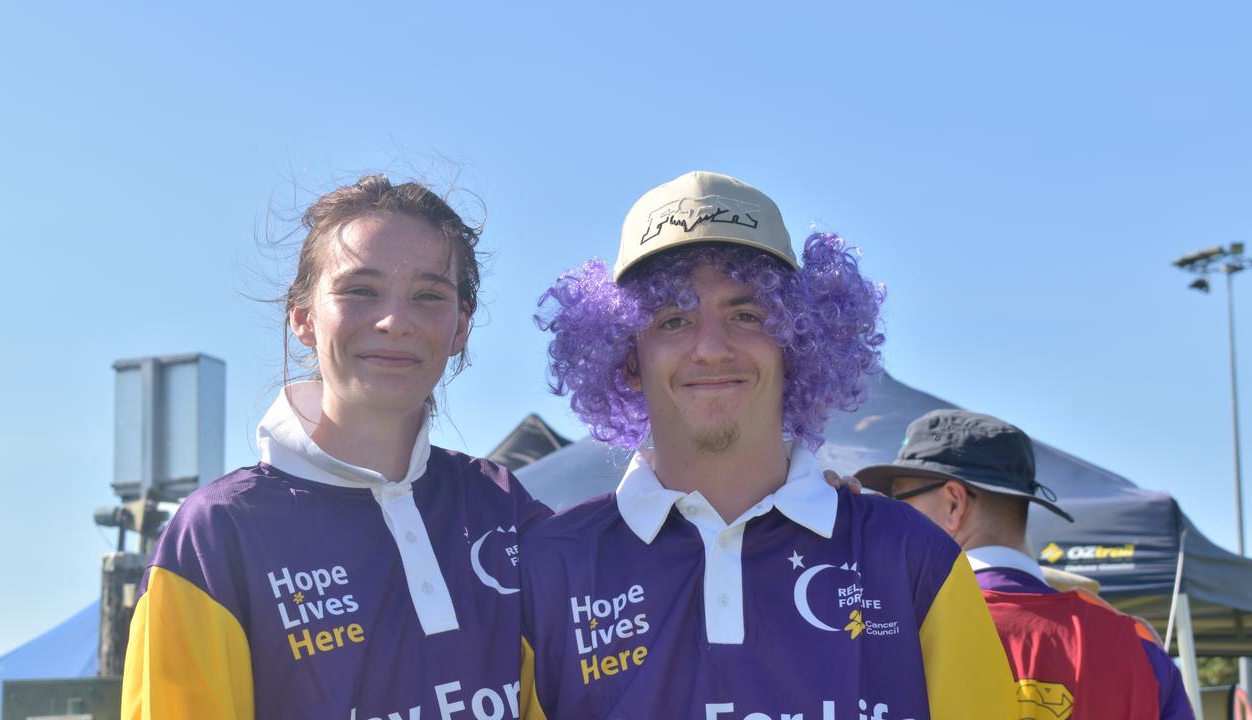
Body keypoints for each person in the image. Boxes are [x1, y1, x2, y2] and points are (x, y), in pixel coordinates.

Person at [522, 171, 1016, 719]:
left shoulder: (911, 558)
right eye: (674, 320)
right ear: (628, 358)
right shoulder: (551, 568)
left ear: (799, 343)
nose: (711, 348)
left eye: (747, 315)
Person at [121, 175, 550, 719]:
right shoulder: (214, 537)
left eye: (428, 296)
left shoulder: (505, 506)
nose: (395, 321)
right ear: (302, 317)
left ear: (460, 328)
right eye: (360, 291)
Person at [857, 409, 1195, 720]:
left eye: (899, 500)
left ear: (954, 505)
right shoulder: (1138, 646)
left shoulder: (894, 632)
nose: (893, 517)